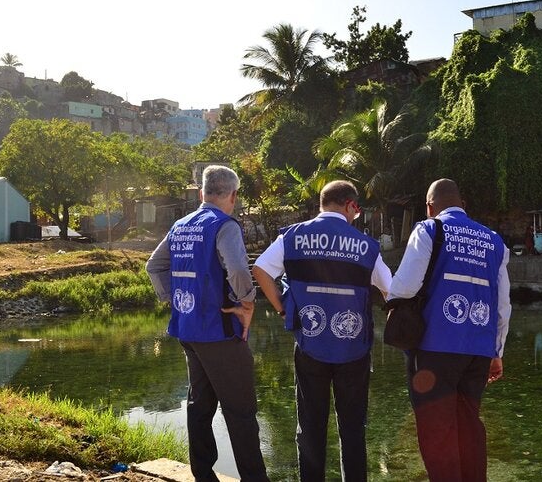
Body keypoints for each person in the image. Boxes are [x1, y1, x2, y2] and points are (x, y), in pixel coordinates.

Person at [252, 180, 392, 482]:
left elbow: (261, 270)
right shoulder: (365, 245)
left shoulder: (293, 237)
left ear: (321, 202)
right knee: (352, 428)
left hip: (309, 344)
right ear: (351, 206)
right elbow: (391, 290)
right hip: (353, 348)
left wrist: (281, 307)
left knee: (310, 426)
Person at [145, 165, 269, 482]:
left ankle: (202, 473)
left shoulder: (181, 225)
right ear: (233, 195)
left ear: (202, 193)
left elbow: (154, 266)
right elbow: (239, 270)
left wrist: (173, 299)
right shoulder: (224, 225)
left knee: (200, 404)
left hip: (188, 330)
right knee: (241, 412)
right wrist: (247, 302)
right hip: (220, 331)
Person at [387, 178, 511, 482]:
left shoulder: (430, 230)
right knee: (469, 425)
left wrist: (389, 297)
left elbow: (404, 286)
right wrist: (497, 352)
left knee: (436, 430)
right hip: (479, 350)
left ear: (430, 207)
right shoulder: (494, 241)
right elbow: (503, 303)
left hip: (434, 347)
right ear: (463, 204)